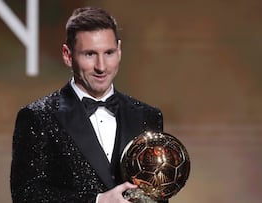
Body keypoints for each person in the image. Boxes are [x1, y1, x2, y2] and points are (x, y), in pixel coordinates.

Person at [10, 7, 164, 203]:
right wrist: (98, 201)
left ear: (119, 50)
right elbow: (26, 195)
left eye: (108, 53)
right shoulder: (37, 117)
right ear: (68, 55)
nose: (101, 66)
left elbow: (158, 192)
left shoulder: (148, 116)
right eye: (90, 54)